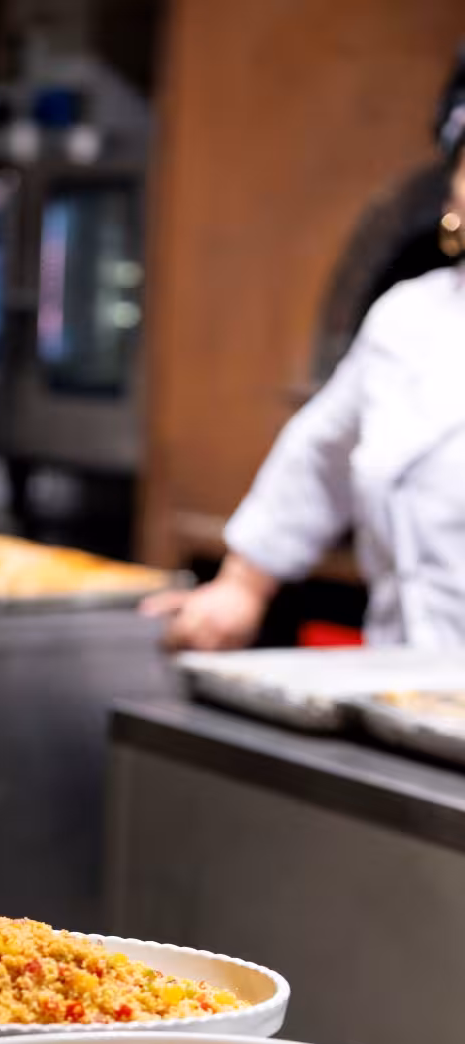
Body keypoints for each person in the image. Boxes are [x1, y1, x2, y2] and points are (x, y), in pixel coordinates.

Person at [146, 50, 465, 652]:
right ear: (451, 196)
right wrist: (242, 585)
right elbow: (318, 457)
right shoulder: (408, 318)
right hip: (400, 689)